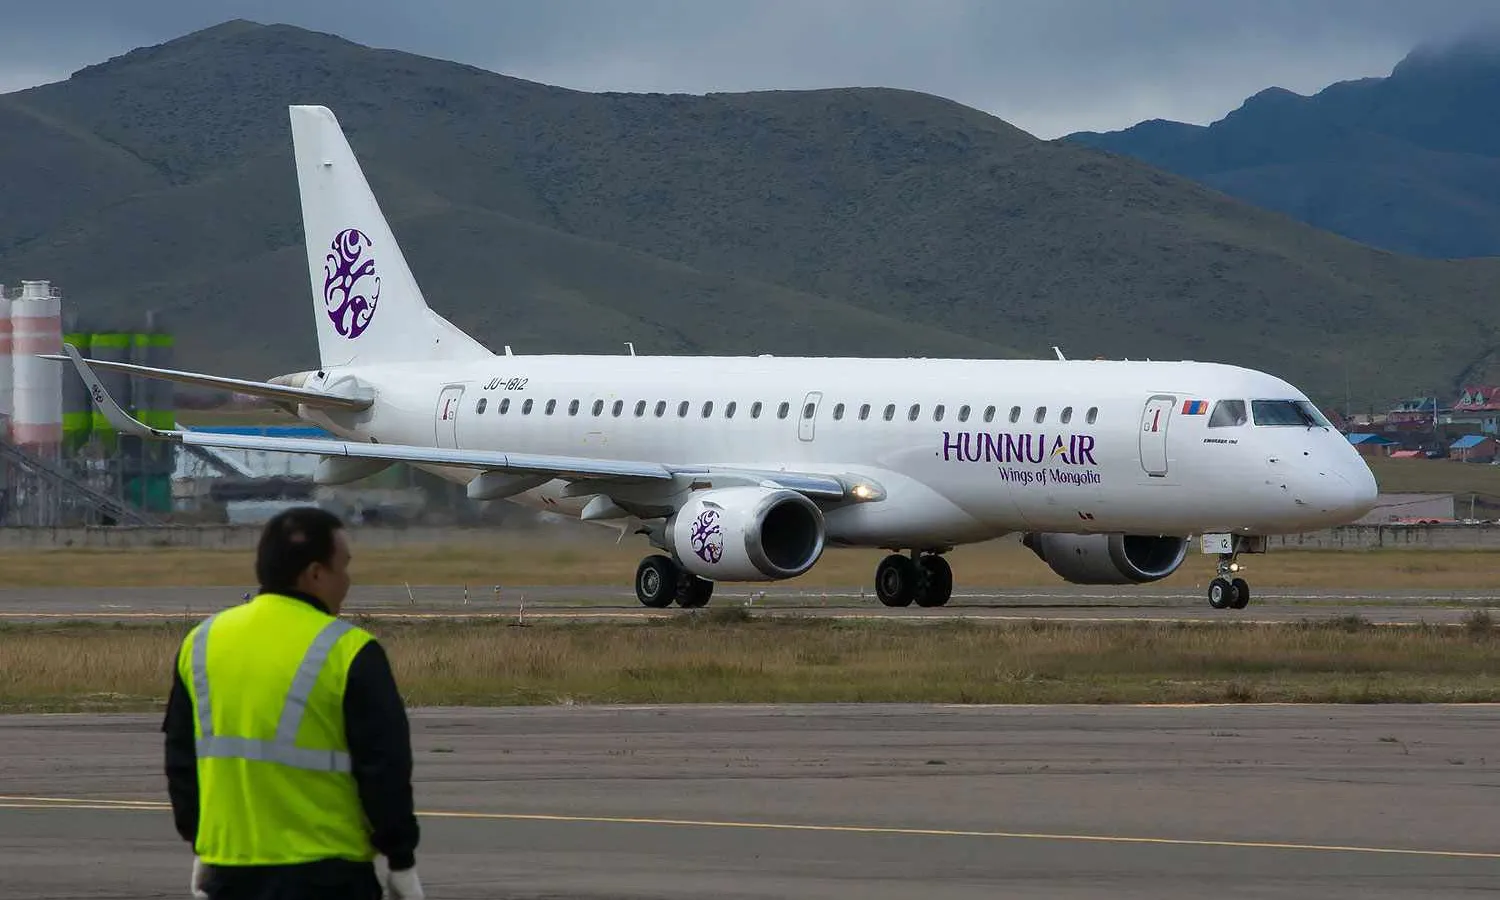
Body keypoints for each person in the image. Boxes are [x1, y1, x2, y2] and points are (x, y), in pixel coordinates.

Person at [162, 506, 423, 899]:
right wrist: (401, 859)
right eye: (343, 567)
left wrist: (202, 843)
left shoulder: (201, 642)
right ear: (315, 574)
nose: (347, 581)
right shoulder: (350, 651)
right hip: (328, 875)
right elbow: (384, 769)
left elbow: (182, 759)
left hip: (230, 872)